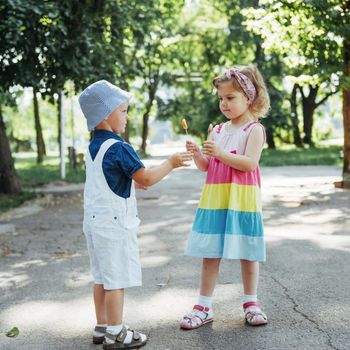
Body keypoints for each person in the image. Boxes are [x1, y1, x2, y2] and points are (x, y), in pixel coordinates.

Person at [79, 80, 192, 349]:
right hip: (114, 225)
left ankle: (102, 325)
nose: (127, 117)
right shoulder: (119, 147)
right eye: (123, 111)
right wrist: (171, 163)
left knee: (101, 277)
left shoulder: (94, 147)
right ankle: (116, 334)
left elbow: (111, 177)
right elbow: (149, 178)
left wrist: (132, 181)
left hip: (94, 224)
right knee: (116, 279)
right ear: (106, 115)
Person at [180, 65, 270, 330]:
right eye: (221, 98)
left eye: (230, 98)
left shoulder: (253, 130)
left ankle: (251, 303)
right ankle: (203, 306)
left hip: (242, 200)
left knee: (247, 253)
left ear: (249, 97)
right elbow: (206, 167)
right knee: (210, 253)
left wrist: (219, 153)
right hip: (217, 199)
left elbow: (249, 164)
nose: (224, 103)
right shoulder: (217, 130)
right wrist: (199, 153)